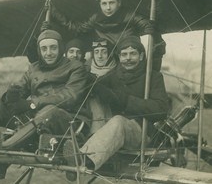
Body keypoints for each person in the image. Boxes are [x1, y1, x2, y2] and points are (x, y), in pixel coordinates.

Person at [0, 29, 90, 179]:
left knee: (48, 112)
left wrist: (32, 103)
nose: (48, 53)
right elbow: (21, 86)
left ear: (61, 48)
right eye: (44, 48)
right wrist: (10, 95)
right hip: (36, 119)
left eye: (53, 48)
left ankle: (1, 153)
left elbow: (70, 96)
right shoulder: (34, 68)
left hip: (66, 120)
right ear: (39, 50)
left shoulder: (75, 67)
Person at [65, 36, 169, 173]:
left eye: (133, 54)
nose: (128, 58)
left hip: (141, 132)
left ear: (142, 55)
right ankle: (79, 144)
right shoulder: (113, 75)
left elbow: (161, 109)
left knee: (119, 120)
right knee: (94, 98)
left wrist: (126, 100)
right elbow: (95, 86)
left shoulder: (153, 76)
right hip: (113, 132)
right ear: (119, 57)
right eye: (124, 55)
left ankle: (84, 160)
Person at [45, 0, 165, 71]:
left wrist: (156, 4)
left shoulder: (130, 15)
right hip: (104, 60)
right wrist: (54, 13)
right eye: (104, 3)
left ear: (119, 3)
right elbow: (76, 28)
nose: (108, 8)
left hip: (126, 59)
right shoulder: (95, 18)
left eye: (111, 3)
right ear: (100, 4)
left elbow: (150, 26)